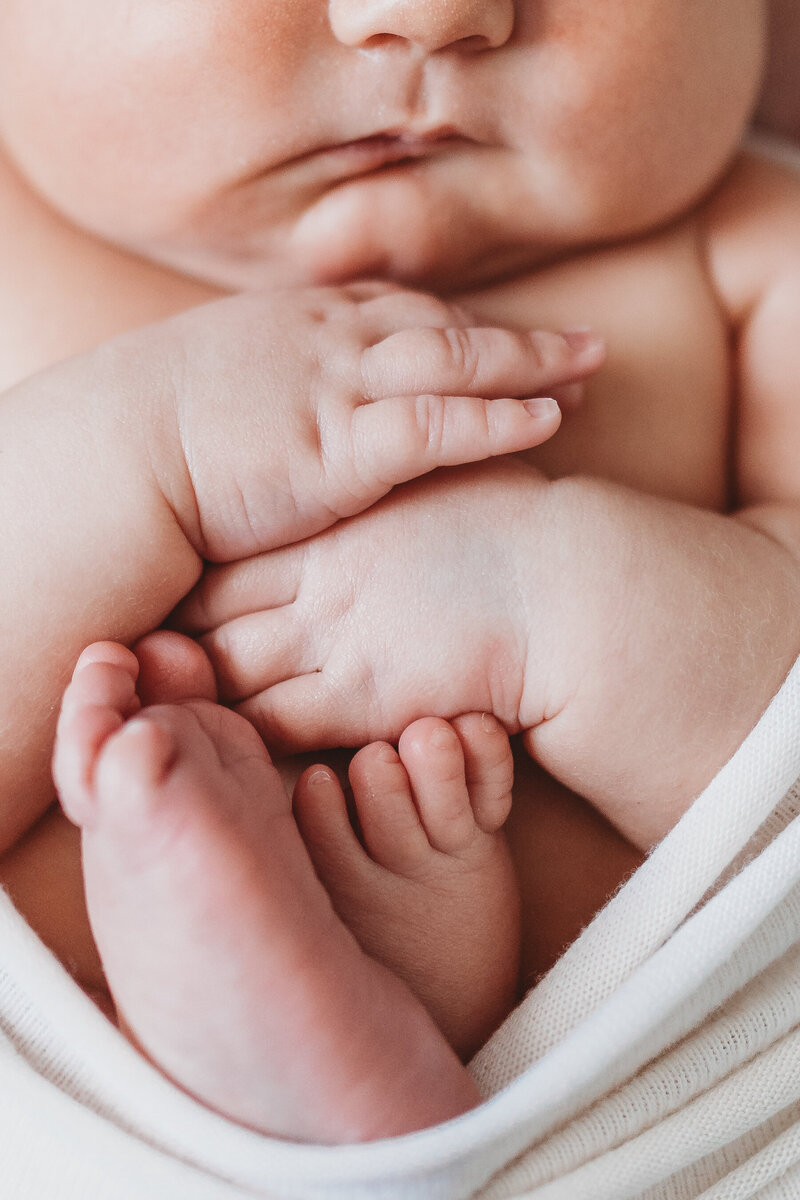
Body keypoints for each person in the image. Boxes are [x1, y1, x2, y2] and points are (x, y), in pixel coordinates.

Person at [1, 0, 800, 1146]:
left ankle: (358, 1044)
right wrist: (146, 448)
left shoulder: (756, 248)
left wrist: (547, 600)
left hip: (642, 1127)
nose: (426, 12)